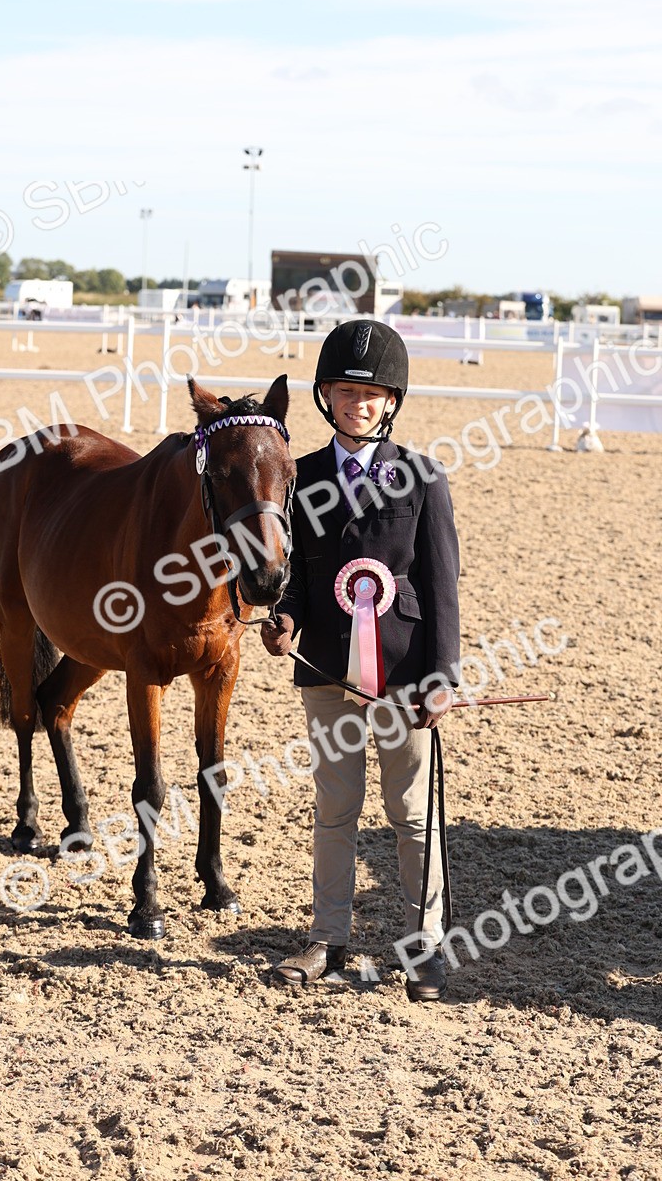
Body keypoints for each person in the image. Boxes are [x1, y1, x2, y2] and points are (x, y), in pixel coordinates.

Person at [261, 319, 460, 1001]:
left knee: (411, 815)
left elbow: (440, 586)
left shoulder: (423, 478)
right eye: (345, 390)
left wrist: (443, 676)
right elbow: (297, 579)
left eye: (371, 393)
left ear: (390, 401)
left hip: (405, 675)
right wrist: (284, 619)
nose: (358, 403)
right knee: (335, 809)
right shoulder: (303, 478)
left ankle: (426, 945)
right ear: (326, 398)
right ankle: (328, 939)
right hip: (326, 672)